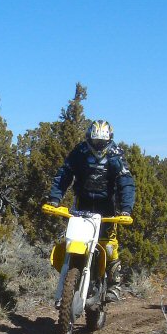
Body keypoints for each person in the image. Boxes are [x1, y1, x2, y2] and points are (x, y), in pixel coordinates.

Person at [47, 119, 136, 300]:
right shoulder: (80, 152)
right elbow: (64, 174)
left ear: (109, 140)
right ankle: (68, 281)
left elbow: (125, 182)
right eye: (95, 141)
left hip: (107, 208)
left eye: (101, 142)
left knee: (109, 247)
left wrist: (126, 209)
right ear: (88, 138)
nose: (98, 145)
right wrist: (54, 199)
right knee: (72, 241)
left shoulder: (115, 155)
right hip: (82, 205)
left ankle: (113, 285)